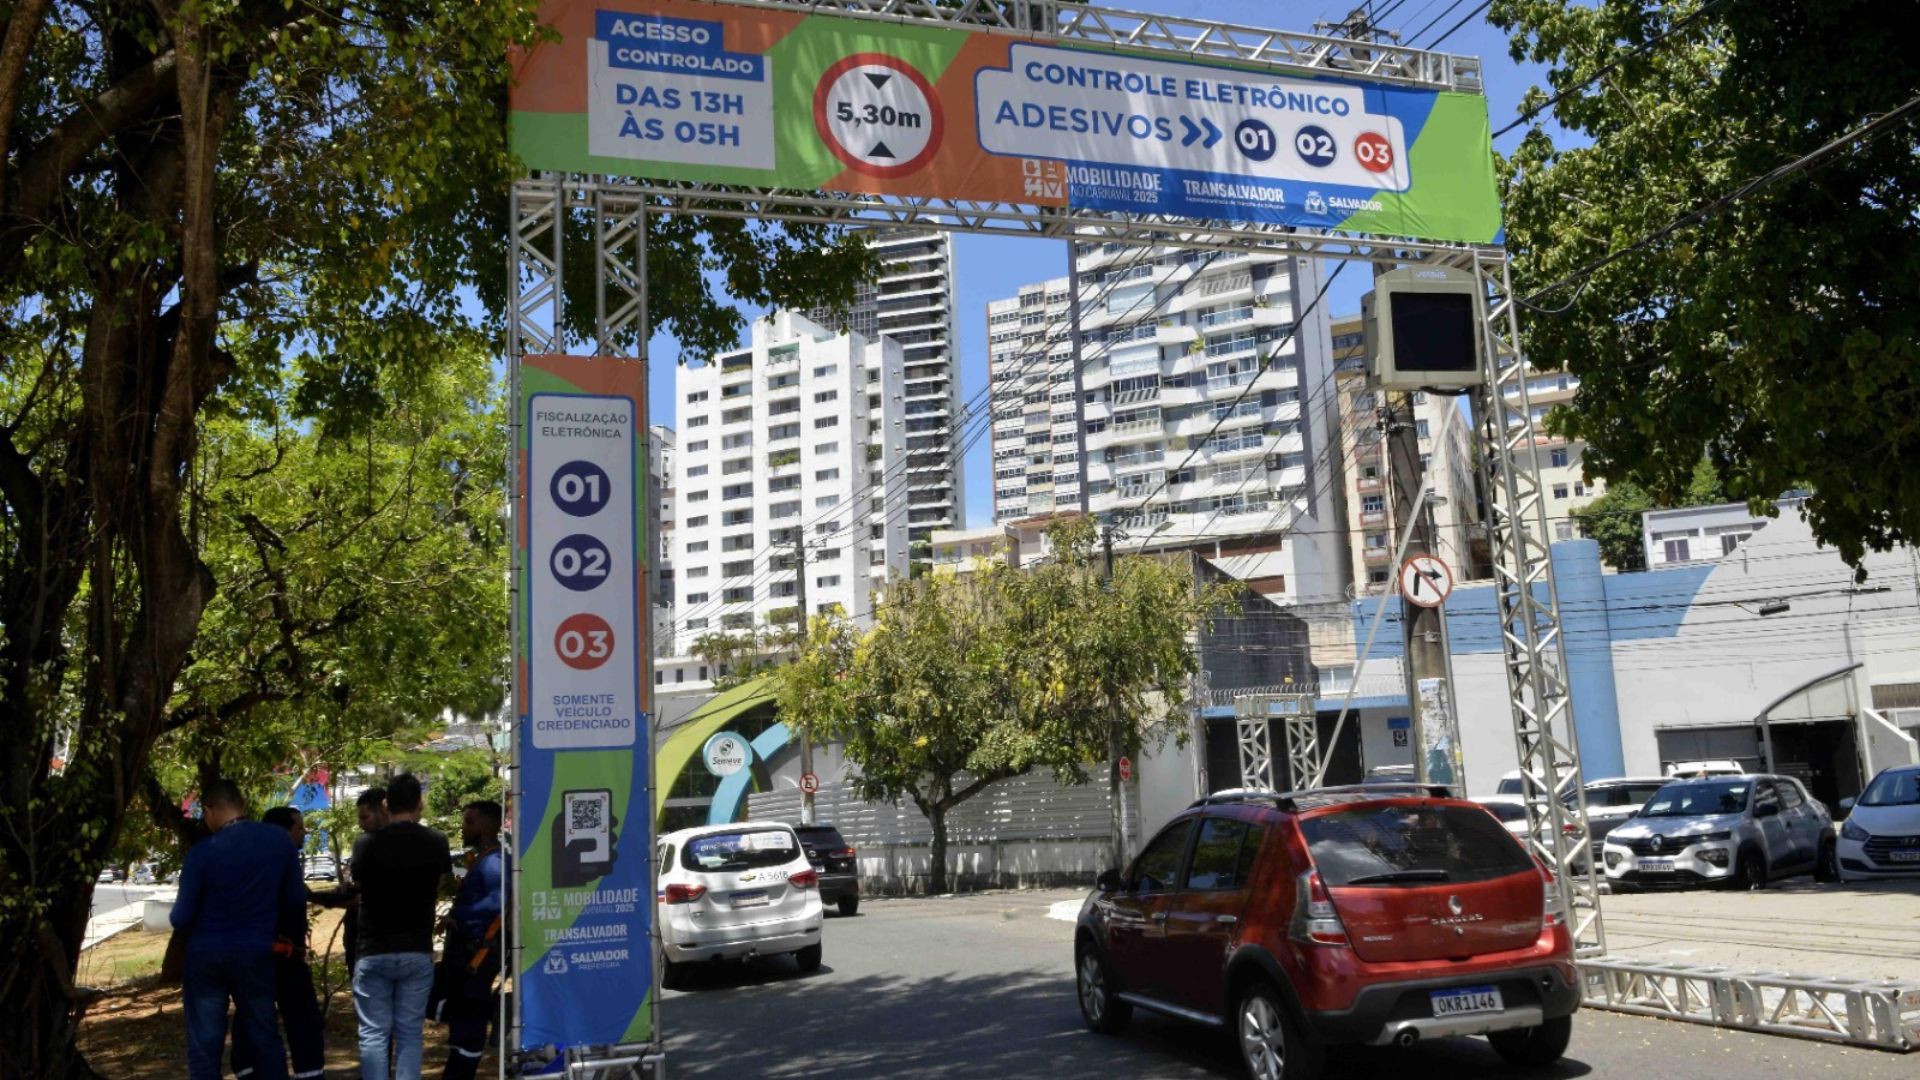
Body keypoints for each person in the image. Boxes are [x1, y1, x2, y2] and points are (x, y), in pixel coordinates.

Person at [170, 779, 304, 1080]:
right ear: (242, 805)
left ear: (208, 811)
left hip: (206, 957)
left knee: (205, 1047)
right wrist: (294, 943)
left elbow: (181, 918)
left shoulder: (202, 853)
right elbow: (295, 901)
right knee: (265, 1038)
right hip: (257, 953)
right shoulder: (278, 841)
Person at [352, 773, 452, 1080]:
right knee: (410, 1033)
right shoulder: (437, 841)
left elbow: (358, 885)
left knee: (373, 1033)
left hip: (373, 949)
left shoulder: (365, 844)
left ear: (386, 804)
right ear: (420, 803)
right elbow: (443, 883)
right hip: (416, 949)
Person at [231, 807, 328, 1080]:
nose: (304, 832)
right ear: (282, 831)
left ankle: (249, 1070)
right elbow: (295, 900)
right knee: (301, 1022)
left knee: (251, 1021)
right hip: (282, 955)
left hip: (255, 957)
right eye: (299, 827)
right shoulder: (281, 858)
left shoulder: (248, 860)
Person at [433, 799, 504, 1080]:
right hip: (464, 956)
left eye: (469, 822)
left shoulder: (495, 863)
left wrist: (460, 918)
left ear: (487, 826)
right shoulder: (482, 860)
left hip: (477, 957)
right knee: (459, 1012)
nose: (463, 828)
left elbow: (500, 902)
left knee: (469, 1018)